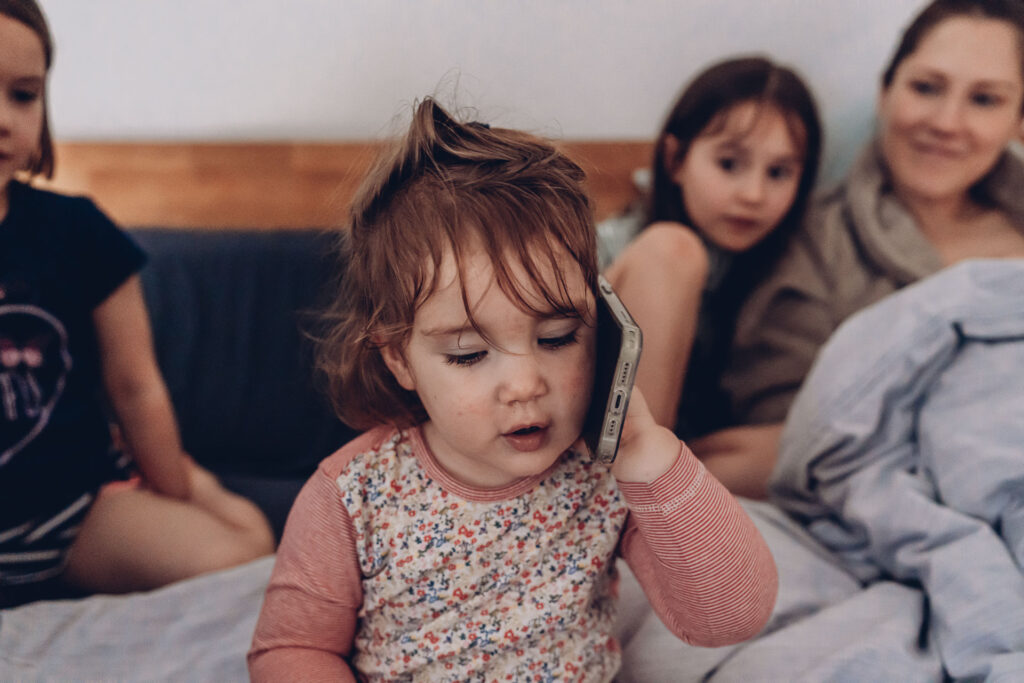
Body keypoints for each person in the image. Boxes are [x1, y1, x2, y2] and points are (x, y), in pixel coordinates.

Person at [248, 99, 777, 681]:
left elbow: (729, 616)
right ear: (400, 358)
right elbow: (293, 650)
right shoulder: (354, 497)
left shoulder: (603, 477)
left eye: (557, 337)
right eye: (469, 354)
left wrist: (652, 450)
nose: (526, 385)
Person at [0, 0, 274, 608]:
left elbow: (135, 385)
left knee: (247, 552)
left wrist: (174, 490)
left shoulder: (77, 232)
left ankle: (184, 479)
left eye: (23, 95)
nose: (4, 119)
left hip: (72, 514)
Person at [717, 0, 1024, 497]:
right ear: (885, 92)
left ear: (1018, 121)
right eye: (926, 87)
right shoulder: (812, 241)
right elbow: (779, 438)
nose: (947, 122)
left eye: (985, 99)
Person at [602, 57, 822, 496]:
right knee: (674, 249)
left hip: (677, 454)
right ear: (675, 159)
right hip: (597, 443)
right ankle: (630, 486)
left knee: (820, 446)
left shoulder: (787, 262)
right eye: (729, 164)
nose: (754, 194)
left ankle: (658, 486)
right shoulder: (626, 246)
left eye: (779, 172)